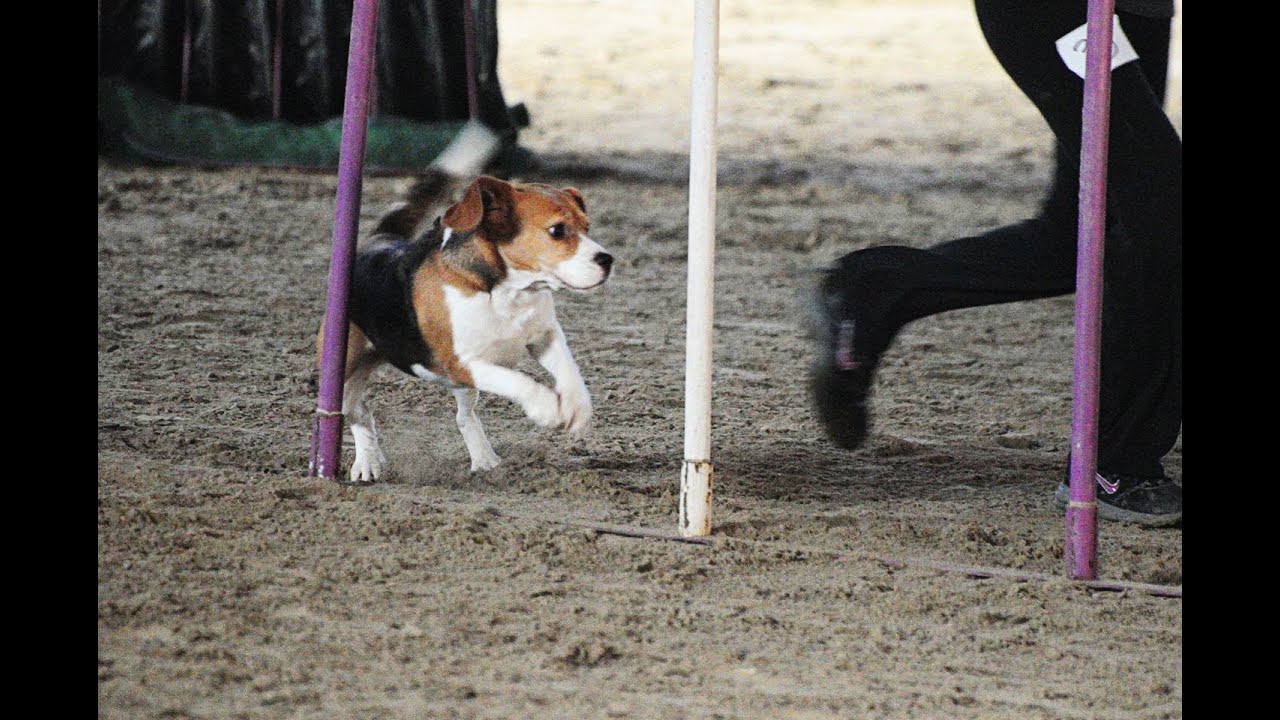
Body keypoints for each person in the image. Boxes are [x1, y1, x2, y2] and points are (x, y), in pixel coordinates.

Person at [810, 0, 1181, 526]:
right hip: (1062, 9)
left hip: (1140, 9)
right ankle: (1114, 464)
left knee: (1085, 232)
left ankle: (872, 291)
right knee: (1160, 207)